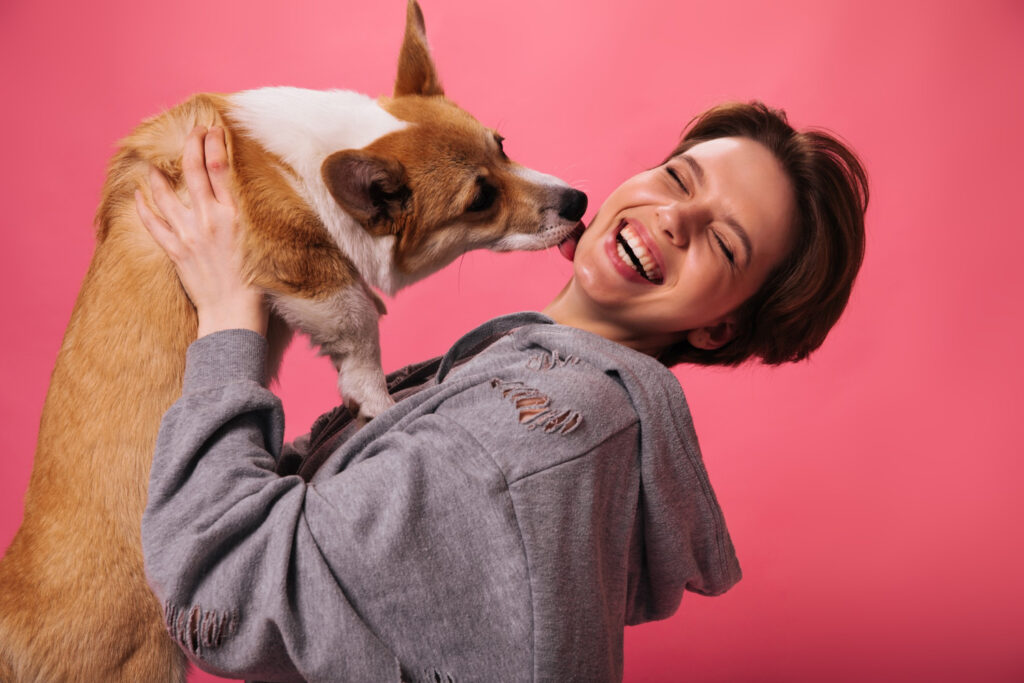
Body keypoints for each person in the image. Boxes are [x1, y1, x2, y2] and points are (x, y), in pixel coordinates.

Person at [136, 101, 867, 682]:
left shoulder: (528, 437)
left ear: (718, 328)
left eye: (725, 242)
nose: (677, 217)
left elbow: (220, 586)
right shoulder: (528, 382)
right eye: (678, 178)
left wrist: (228, 317)